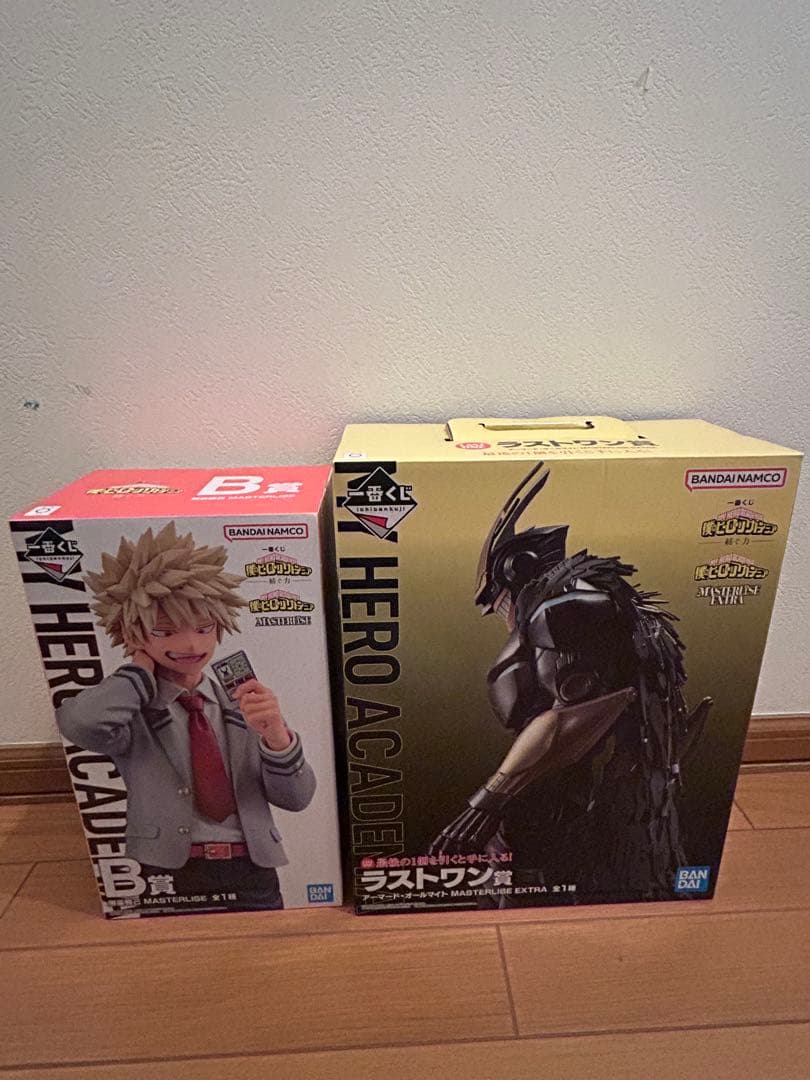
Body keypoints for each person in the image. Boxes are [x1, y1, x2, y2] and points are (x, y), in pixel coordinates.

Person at [431, 463, 710, 905]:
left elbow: (572, 718)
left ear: (517, 572)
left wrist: (487, 799)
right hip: (610, 800)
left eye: (499, 602)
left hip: (596, 806)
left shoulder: (566, 613)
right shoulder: (603, 606)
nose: (503, 616)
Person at [57, 521, 316, 912]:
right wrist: (138, 672)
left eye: (204, 628)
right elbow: (80, 724)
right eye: (164, 632)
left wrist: (277, 738)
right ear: (132, 634)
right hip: (167, 869)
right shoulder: (130, 711)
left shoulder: (241, 703)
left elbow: (296, 799)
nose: (191, 644)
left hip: (252, 869)